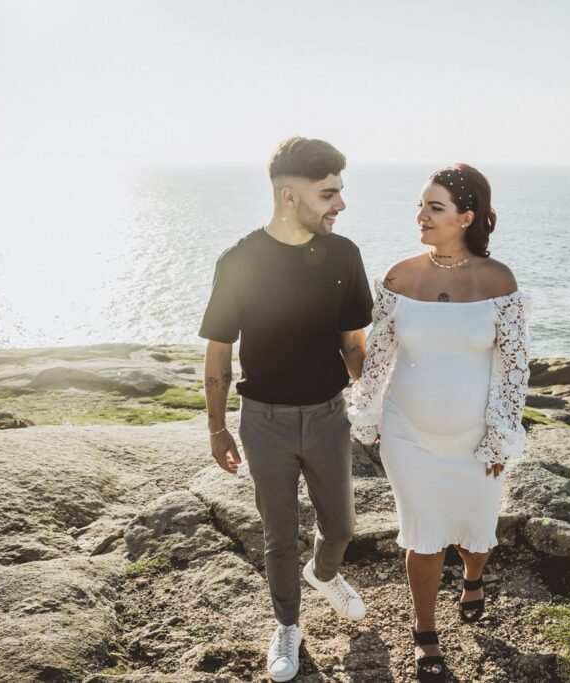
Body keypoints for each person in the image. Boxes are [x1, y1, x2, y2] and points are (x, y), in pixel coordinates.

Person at [199, 137, 374, 682]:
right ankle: (288, 627)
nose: (340, 204)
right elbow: (219, 351)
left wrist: (370, 407)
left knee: (341, 527)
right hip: (264, 423)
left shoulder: (344, 256)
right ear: (290, 196)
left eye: (340, 192)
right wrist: (216, 426)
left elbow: (353, 344)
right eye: (329, 193)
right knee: (278, 536)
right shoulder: (239, 261)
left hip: (328, 416)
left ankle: (324, 574)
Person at [348, 164, 530, 682]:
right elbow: (378, 356)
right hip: (408, 436)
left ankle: (473, 579)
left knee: (477, 536)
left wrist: (499, 438)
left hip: (475, 440)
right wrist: (368, 415)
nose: (421, 216)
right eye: (420, 205)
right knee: (422, 537)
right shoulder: (400, 276)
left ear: (466, 217)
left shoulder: (499, 282)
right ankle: (425, 633)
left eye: (435, 208)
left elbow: (514, 368)